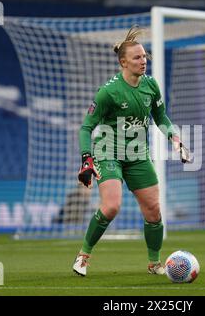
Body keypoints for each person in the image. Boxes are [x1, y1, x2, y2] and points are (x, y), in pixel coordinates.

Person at [72, 25, 191, 277]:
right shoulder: (109, 92)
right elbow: (86, 128)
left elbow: (161, 118)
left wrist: (175, 138)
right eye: (137, 57)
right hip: (108, 153)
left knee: (154, 210)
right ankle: (83, 255)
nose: (143, 61)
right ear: (123, 62)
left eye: (144, 56)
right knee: (112, 206)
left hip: (137, 155)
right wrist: (86, 159)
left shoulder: (150, 86)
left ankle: (154, 263)